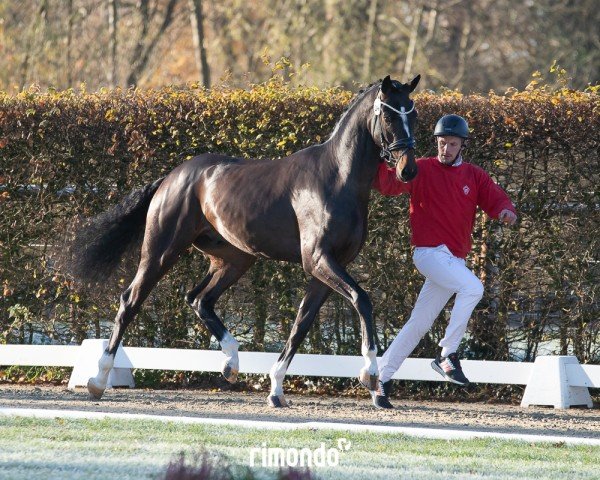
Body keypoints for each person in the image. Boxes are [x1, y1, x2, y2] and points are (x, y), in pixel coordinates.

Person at [370, 114, 517, 409]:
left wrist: (505, 210)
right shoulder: (420, 168)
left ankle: (380, 379)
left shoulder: (474, 175)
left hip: (453, 261)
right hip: (428, 253)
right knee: (473, 289)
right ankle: (447, 354)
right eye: (441, 143)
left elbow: (495, 198)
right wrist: (375, 156)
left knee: (419, 323)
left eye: (451, 144)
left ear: (462, 145)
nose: (445, 149)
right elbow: (387, 185)